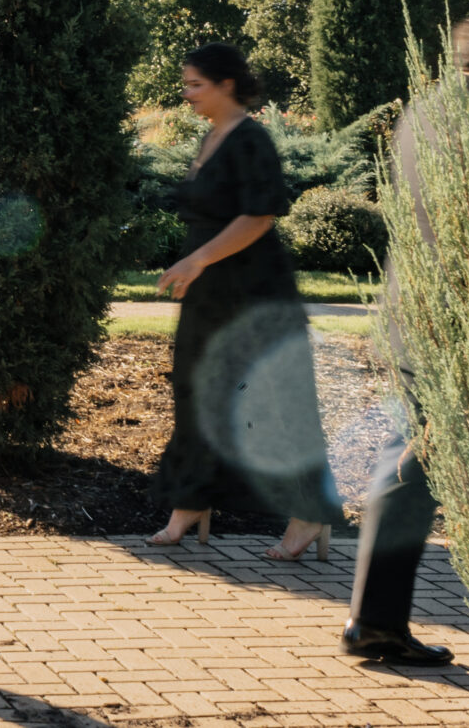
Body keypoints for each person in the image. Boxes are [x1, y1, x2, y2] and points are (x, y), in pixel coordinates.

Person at [343, 8, 469, 666]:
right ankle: (376, 621)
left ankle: (374, 618)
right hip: (456, 315)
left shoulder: (423, 112)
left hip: (410, 303)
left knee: (410, 452)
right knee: (416, 459)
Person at [149, 42, 341, 560]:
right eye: (186, 84)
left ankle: (308, 512)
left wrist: (196, 260)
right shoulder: (211, 136)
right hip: (209, 293)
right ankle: (191, 502)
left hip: (254, 294)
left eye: (195, 84)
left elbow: (259, 217)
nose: (187, 94)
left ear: (226, 84)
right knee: (196, 393)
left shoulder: (251, 138)